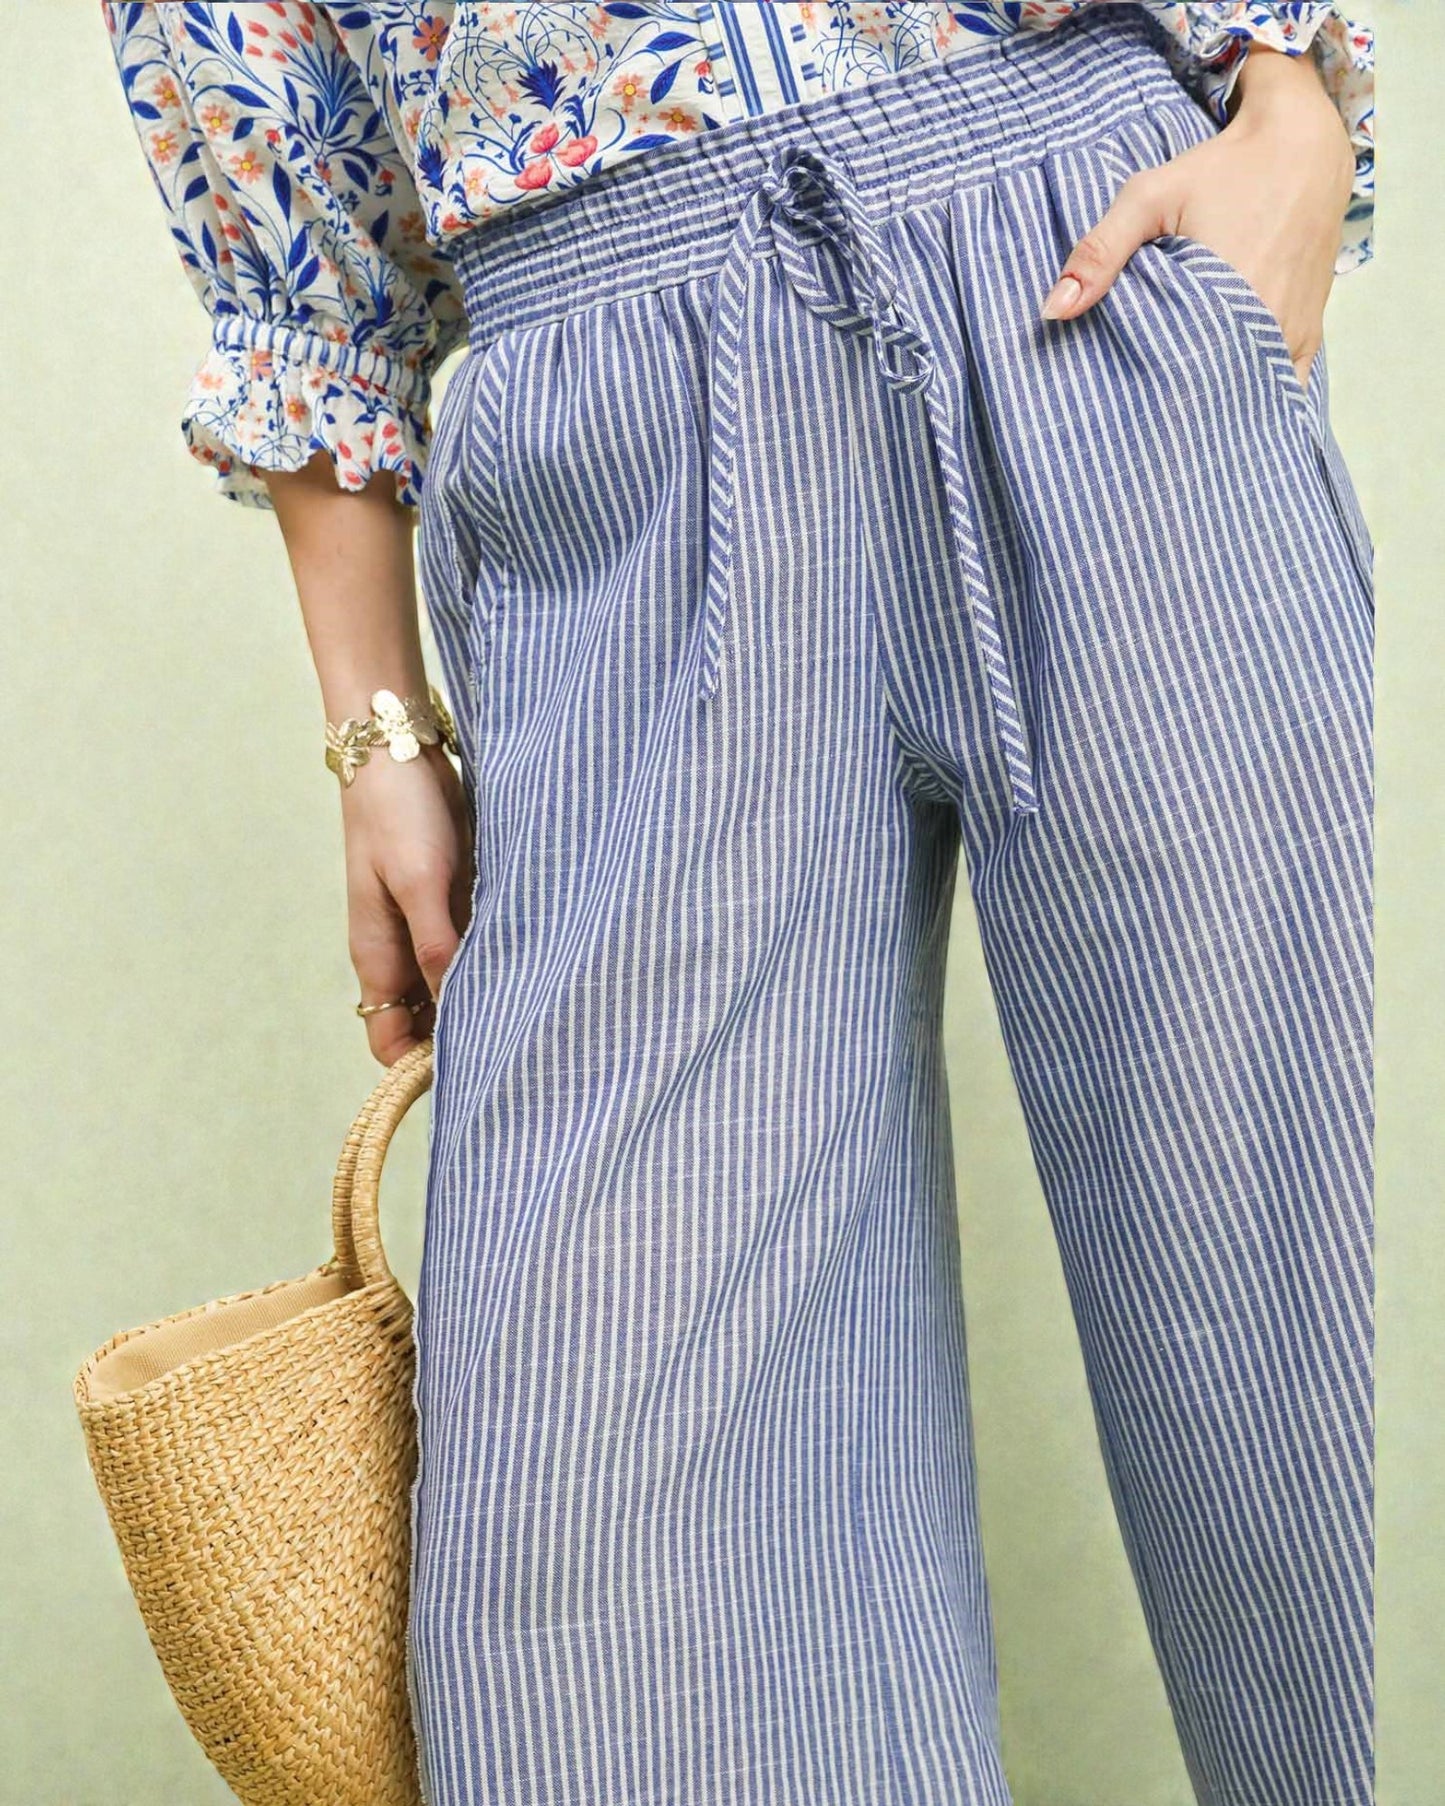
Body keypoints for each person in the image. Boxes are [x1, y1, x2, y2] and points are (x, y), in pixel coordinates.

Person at [103, 5, 1378, 1803]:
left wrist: (1285, 97)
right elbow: (254, 114)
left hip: (1080, 267)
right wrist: (375, 722)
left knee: (1292, 1334)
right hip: (608, 420)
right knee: (596, 1527)